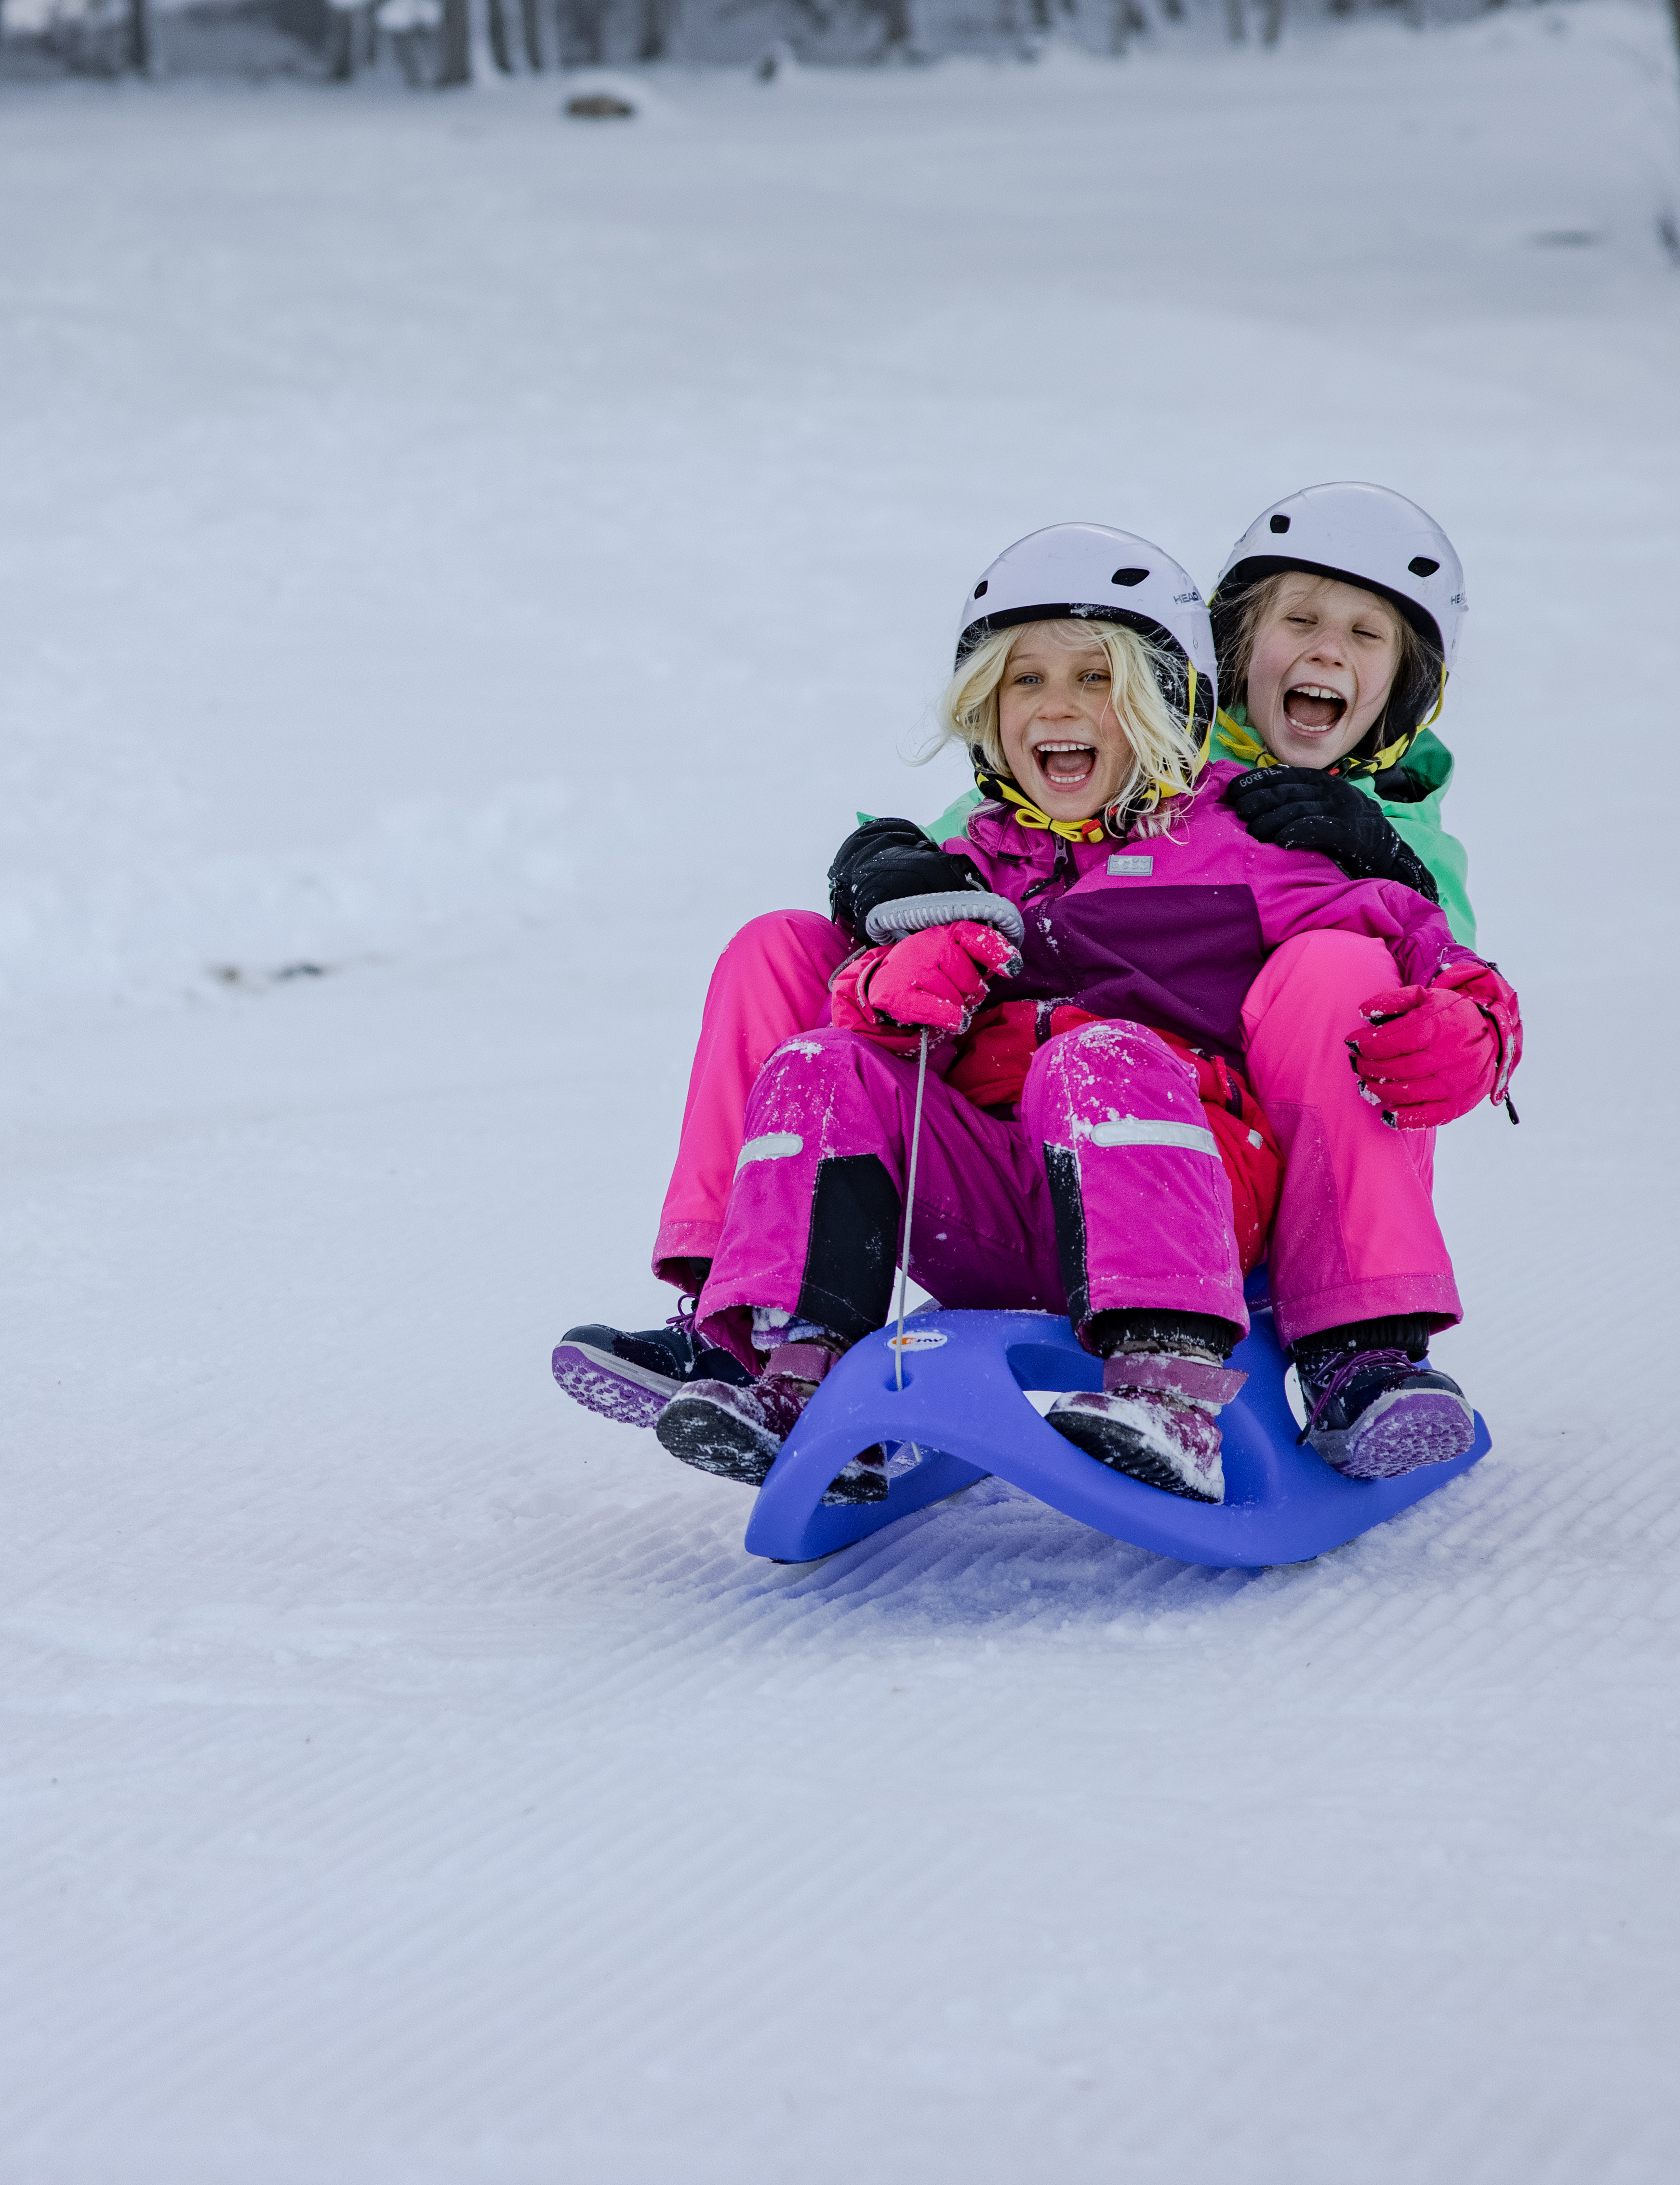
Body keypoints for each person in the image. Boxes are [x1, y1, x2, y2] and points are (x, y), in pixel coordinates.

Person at [553, 484, 1499, 1477]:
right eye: (1299, 620)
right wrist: (885, 905)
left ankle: (1341, 1345)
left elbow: (1441, 957)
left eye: (1365, 634)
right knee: (804, 1008)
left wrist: (1407, 904)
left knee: (1174, 1026)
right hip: (1011, 1172)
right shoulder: (1030, 818)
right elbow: (1000, 848)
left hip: (1212, 1160)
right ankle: (754, 1337)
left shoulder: (1255, 838)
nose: (1326, 652)